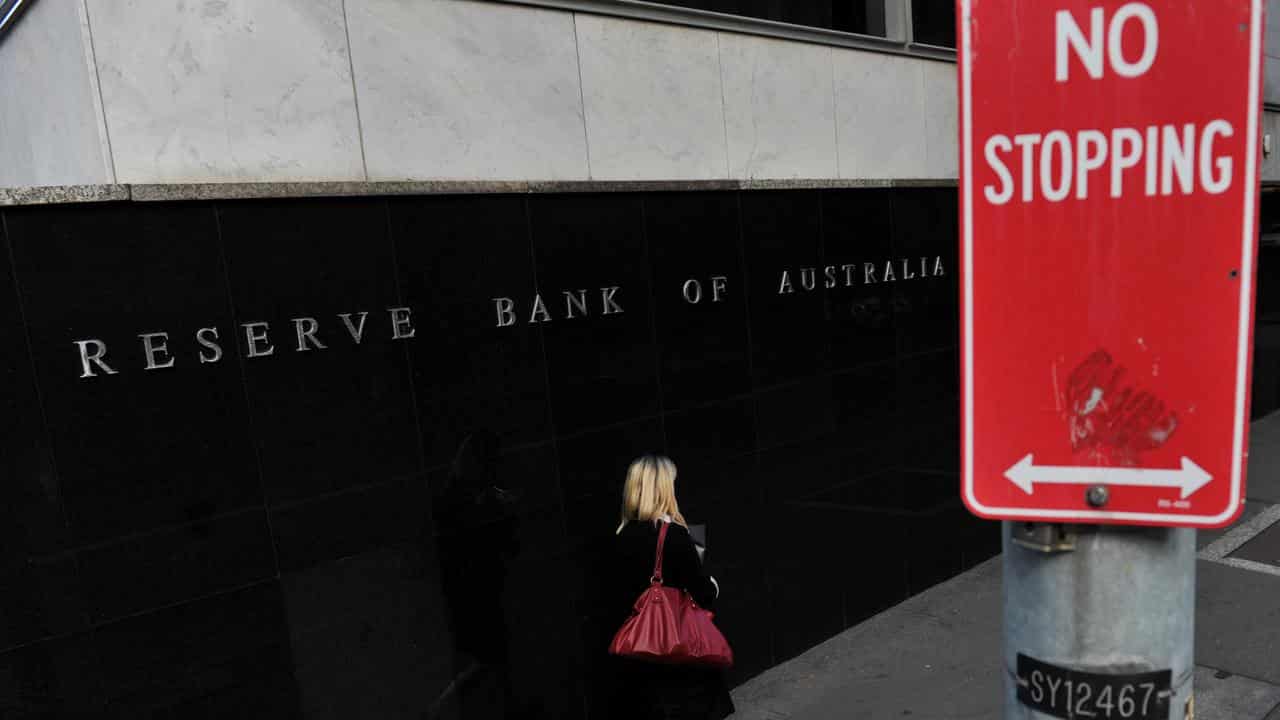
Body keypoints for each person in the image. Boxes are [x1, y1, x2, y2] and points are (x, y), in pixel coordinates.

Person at [603, 454, 735, 720]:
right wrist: (713, 585)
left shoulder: (620, 536)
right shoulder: (674, 535)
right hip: (678, 651)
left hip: (638, 651)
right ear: (663, 488)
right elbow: (703, 595)